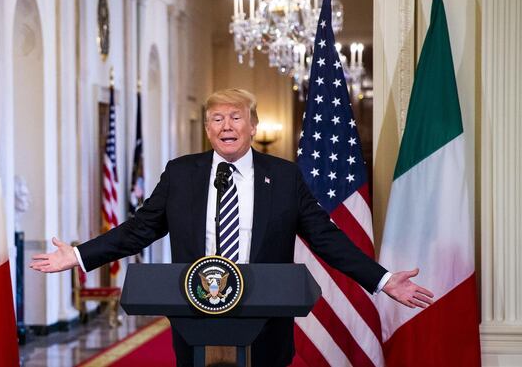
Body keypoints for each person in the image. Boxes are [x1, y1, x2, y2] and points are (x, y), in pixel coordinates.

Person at [31, 88, 433, 366]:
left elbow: (326, 239)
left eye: (236, 117)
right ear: (208, 129)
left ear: (253, 126)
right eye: (217, 118)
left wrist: (382, 280)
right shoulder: (181, 173)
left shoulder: (285, 177)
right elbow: (140, 229)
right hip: (194, 315)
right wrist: (81, 255)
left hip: (266, 320)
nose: (226, 125)